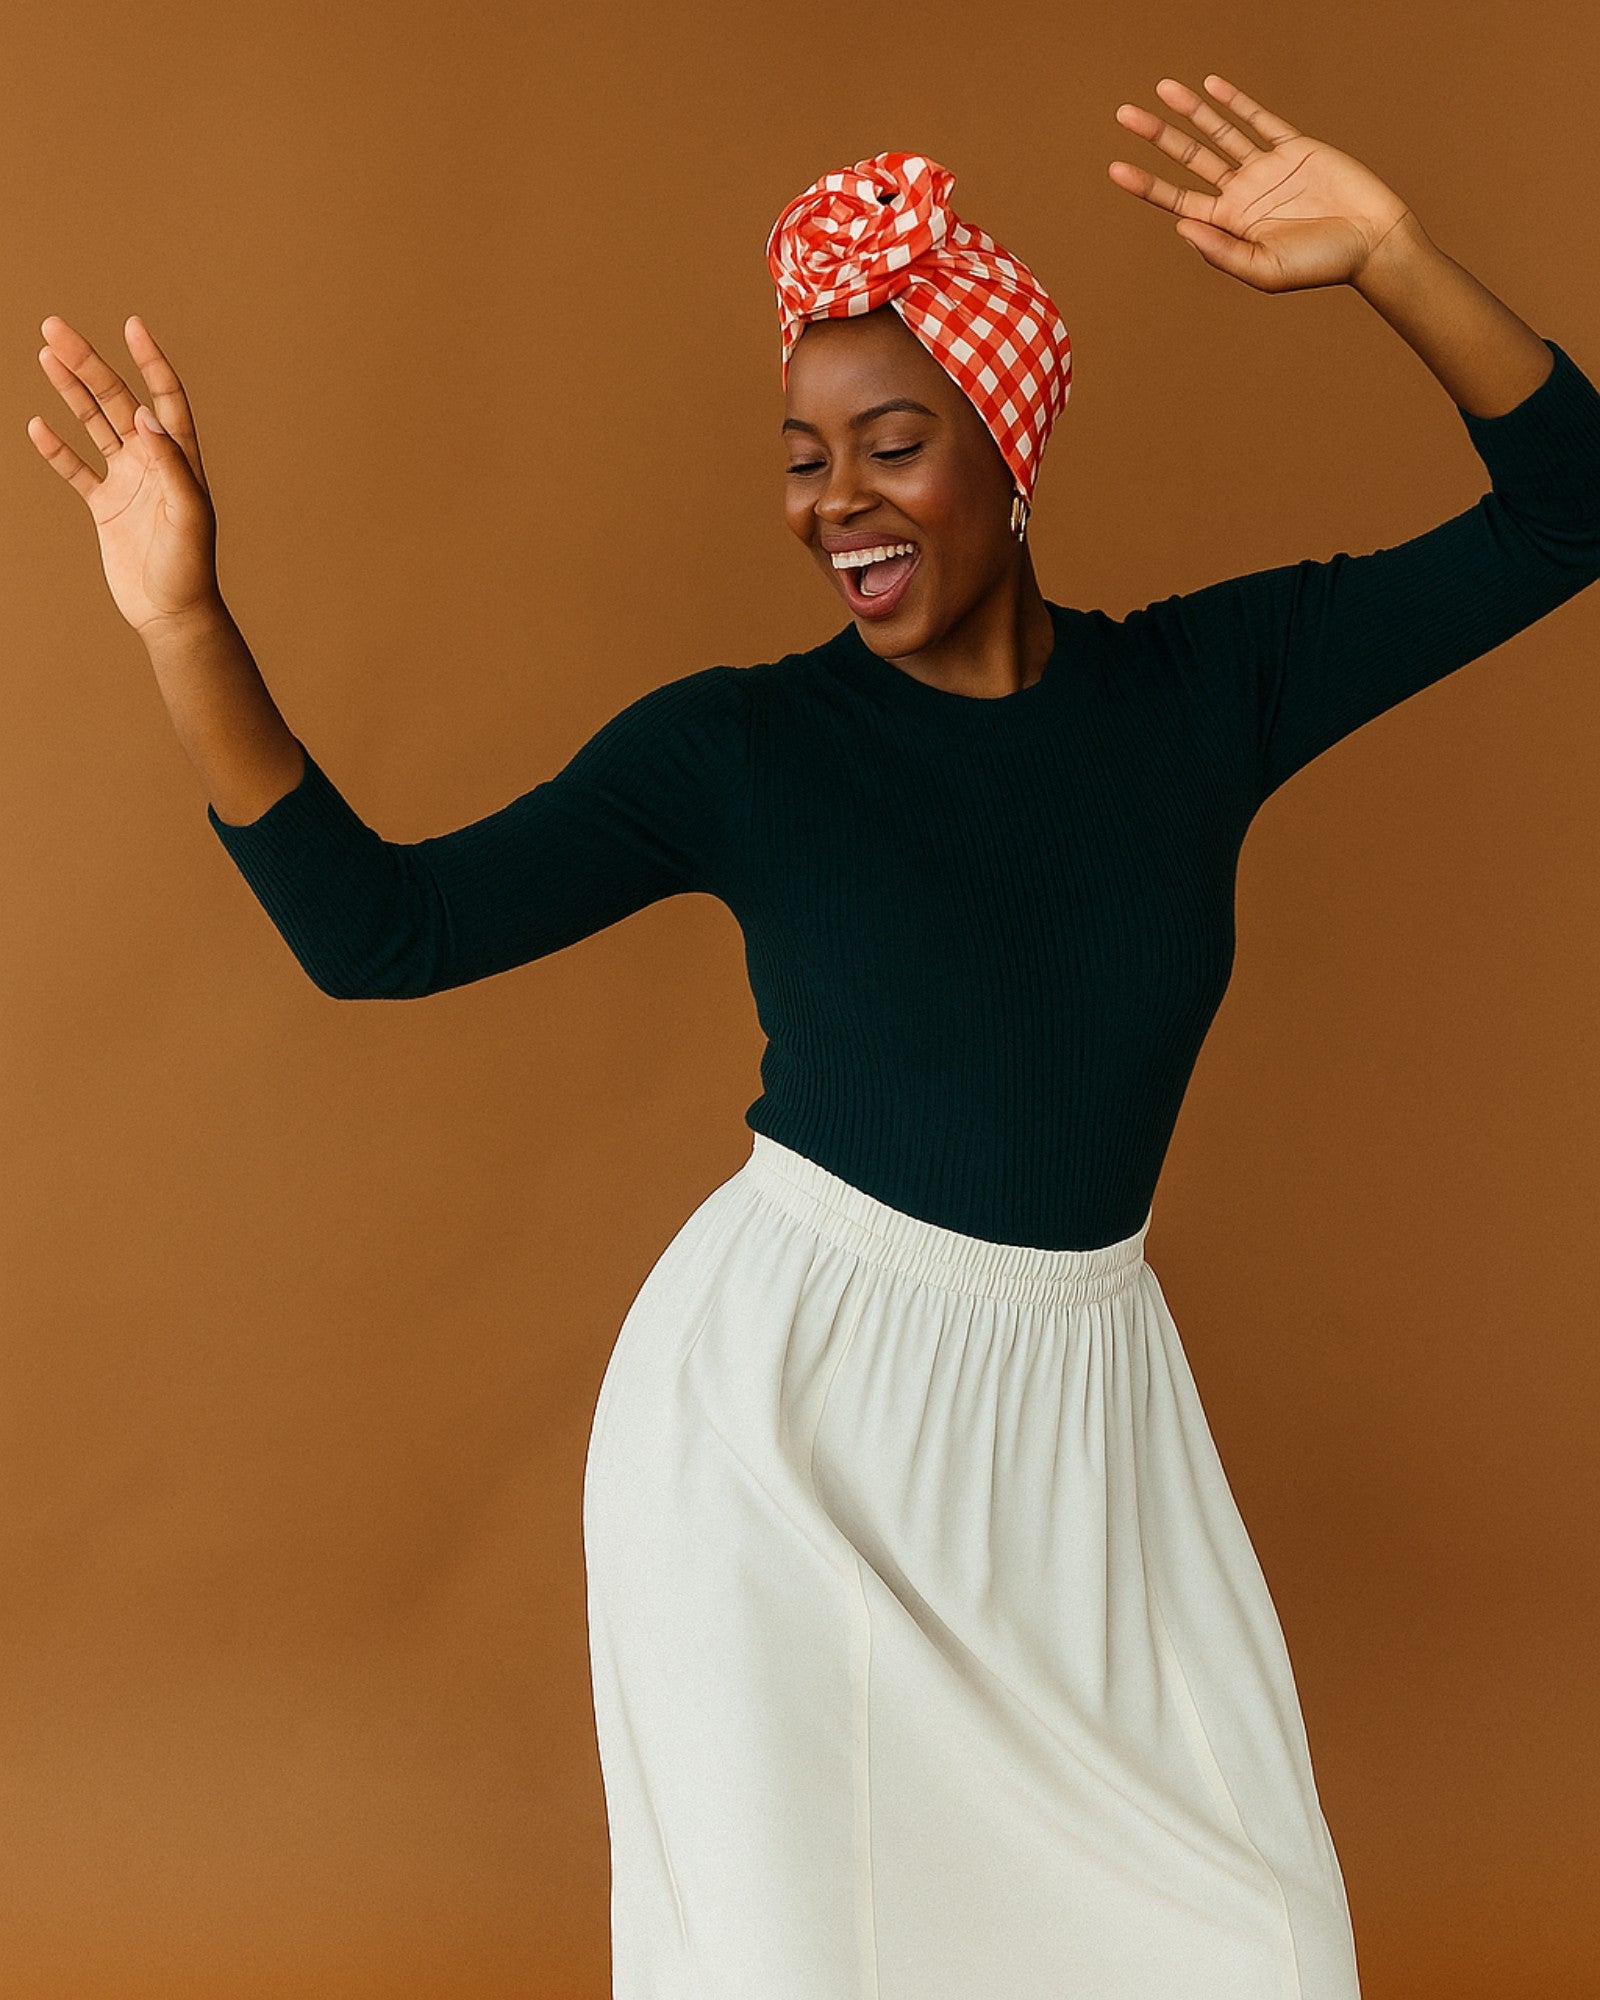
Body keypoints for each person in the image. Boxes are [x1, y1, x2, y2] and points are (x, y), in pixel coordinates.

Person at [30, 70, 1600, 2000]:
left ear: (1009, 455)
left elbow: (1570, 511)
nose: (835, 501)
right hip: (784, 1429)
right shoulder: (744, 749)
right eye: (801, 455)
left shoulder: (1207, 692)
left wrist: (1395, 260)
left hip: (1088, 1429)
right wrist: (185, 620)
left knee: (1253, 1950)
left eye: (892, 443)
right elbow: (385, 933)